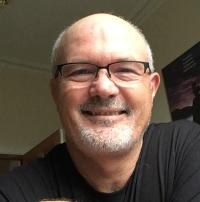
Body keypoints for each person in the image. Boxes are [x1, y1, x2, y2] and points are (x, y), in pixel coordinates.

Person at [0, 13, 200, 202]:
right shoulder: (12, 192)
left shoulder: (190, 147)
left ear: (151, 87)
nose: (104, 88)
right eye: (80, 71)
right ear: (56, 92)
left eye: (125, 69)